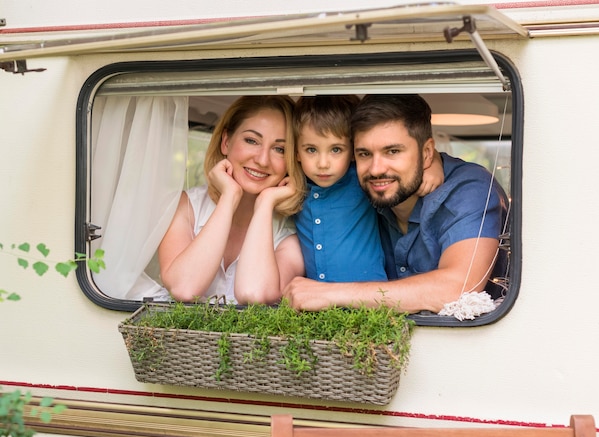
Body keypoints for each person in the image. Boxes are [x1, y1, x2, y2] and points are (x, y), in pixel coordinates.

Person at [283, 94, 508, 314]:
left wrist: (329, 295)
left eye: (392, 151)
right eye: (364, 154)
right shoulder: (365, 191)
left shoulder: (469, 188)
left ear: (427, 153)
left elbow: (459, 289)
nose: (376, 168)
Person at [158, 95, 306, 304]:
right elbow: (184, 288)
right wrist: (229, 197)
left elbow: (256, 295)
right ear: (226, 142)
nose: (262, 160)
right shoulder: (186, 206)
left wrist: (265, 204)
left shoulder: (293, 231)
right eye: (251, 141)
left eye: (279, 149)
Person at [292, 95, 444, 283]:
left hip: (369, 301)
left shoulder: (363, 178)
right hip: (315, 305)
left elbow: (419, 151)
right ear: (296, 152)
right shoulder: (294, 184)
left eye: (336, 149)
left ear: (354, 151)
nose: (323, 164)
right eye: (311, 150)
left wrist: (433, 164)